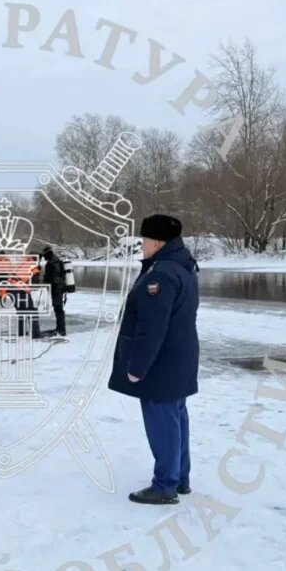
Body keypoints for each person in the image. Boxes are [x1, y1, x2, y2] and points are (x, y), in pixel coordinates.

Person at [108, 215, 199, 505]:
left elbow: (152, 325)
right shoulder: (183, 266)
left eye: (144, 240)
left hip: (161, 361)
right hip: (179, 356)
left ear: (157, 242)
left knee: (162, 420)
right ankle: (179, 478)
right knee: (175, 417)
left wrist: (137, 366)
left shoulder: (160, 274)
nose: (141, 245)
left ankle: (165, 485)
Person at [9, 253, 41, 338]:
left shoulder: (22, 262)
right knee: (32, 311)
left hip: (10, 289)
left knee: (21, 311)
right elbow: (35, 285)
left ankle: (21, 333)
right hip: (20, 290)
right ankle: (36, 334)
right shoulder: (34, 268)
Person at [40, 246, 67, 336]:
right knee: (58, 308)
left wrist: (44, 281)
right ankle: (60, 328)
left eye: (44, 255)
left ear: (47, 254)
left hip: (56, 289)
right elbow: (62, 275)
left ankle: (61, 329)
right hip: (60, 288)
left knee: (58, 308)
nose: (44, 257)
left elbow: (50, 278)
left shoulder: (51, 264)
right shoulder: (59, 261)